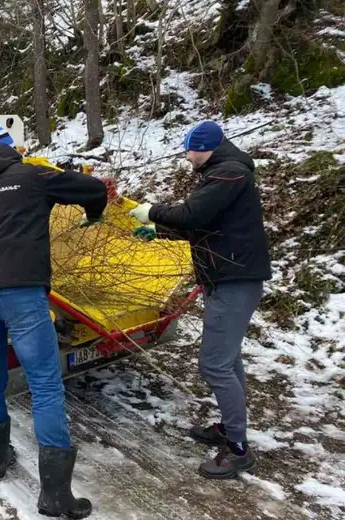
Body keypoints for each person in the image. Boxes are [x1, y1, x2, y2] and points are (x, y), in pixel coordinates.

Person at [0, 122, 107, 519]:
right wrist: (94, 215)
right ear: (16, 150)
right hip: (21, 290)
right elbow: (94, 190)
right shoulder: (33, 175)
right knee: (44, 382)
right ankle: (56, 495)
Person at [128, 120, 272, 479]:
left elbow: (193, 214)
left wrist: (153, 211)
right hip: (227, 278)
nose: (186, 157)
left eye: (188, 150)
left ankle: (238, 448)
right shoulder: (224, 173)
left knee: (214, 365)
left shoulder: (228, 174)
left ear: (203, 148)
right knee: (228, 359)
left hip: (234, 280)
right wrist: (157, 232)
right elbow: (204, 226)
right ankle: (229, 427)